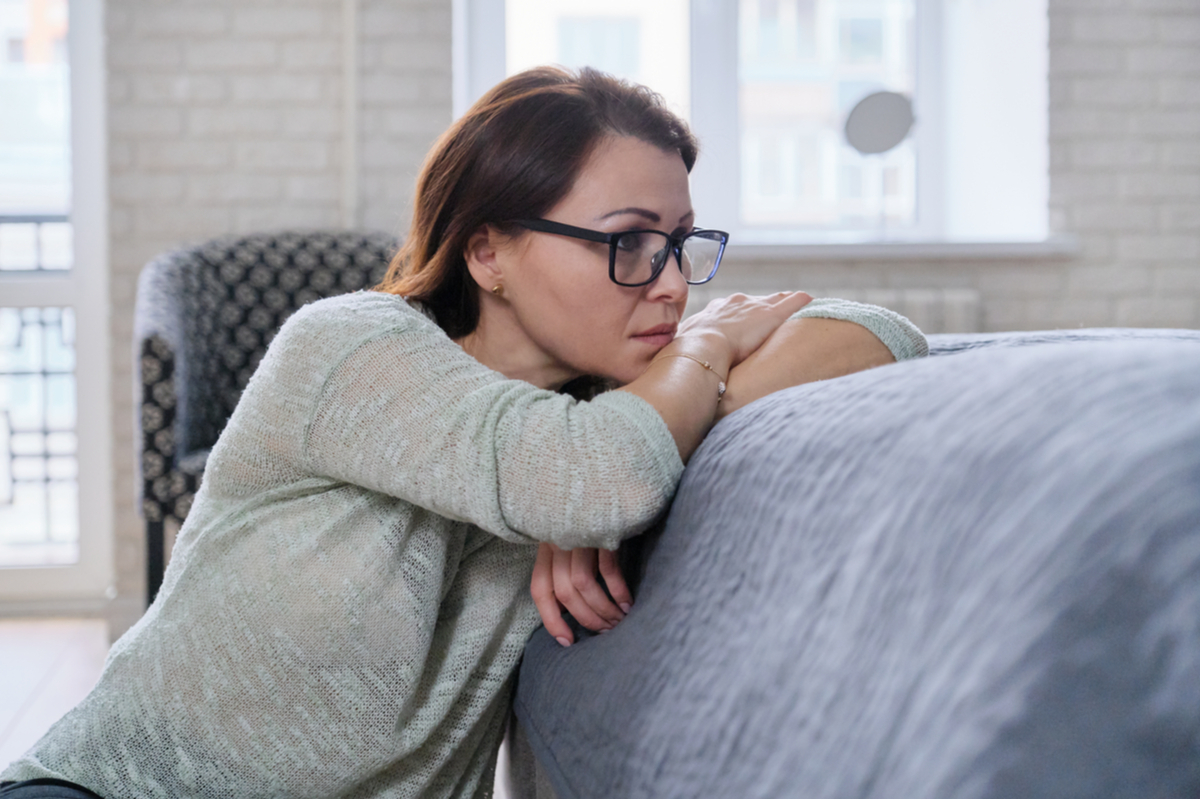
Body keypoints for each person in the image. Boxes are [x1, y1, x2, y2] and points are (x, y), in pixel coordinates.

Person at [0, 67, 926, 798]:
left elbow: (875, 333)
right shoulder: (348, 345)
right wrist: (676, 388)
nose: (675, 284)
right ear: (487, 252)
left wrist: (606, 465)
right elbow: (591, 477)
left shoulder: (618, 411)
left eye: (684, 242)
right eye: (630, 242)